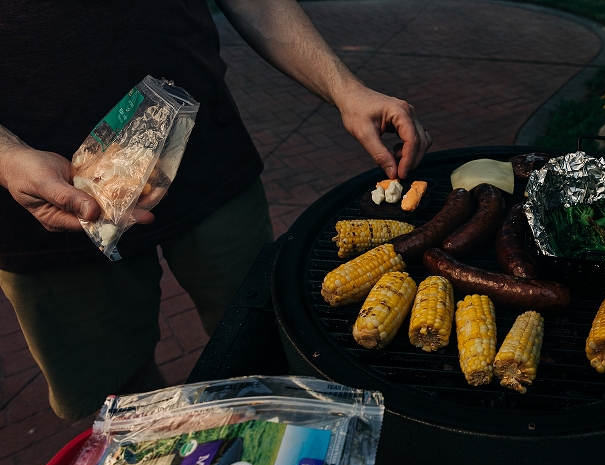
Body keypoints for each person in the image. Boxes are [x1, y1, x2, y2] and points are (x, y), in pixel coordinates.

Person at [0, 0, 431, 420]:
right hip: (48, 193)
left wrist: (345, 88)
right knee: (120, 396)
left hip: (207, 151)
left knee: (265, 335)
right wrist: (7, 157)